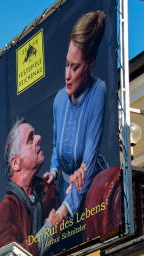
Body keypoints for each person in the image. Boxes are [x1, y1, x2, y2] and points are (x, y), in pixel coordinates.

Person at [43, 10, 107, 224]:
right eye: (66, 65)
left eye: (75, 67)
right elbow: (56, 147)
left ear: (89, 64)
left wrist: (63, 211)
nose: (67, 75)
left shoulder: (98, 91)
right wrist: (53, 171)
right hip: (64, 189)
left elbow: (88, 161)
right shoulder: (59, 100)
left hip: (90, 192)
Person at [0, 119, 59, 256]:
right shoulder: (6, 209)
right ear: (16, 163)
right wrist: (49, 231)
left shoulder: (45, 189)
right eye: (30, 139)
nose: (39, 138)